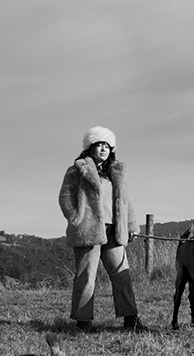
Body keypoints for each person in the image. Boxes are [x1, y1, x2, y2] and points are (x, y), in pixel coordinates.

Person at [59, 126, 149, 333]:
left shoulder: (114, 174)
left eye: (107, 146)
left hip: (113, 232)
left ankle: (131, 320)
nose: (103, 149)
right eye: (99, 144)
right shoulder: (76, 170)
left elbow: (125, 202)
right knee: (86, 276)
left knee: (122, 275)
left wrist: (131, 225)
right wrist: (76, 218)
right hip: (88, 231)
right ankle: (83, 322)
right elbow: (65, 197)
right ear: (90, 147)